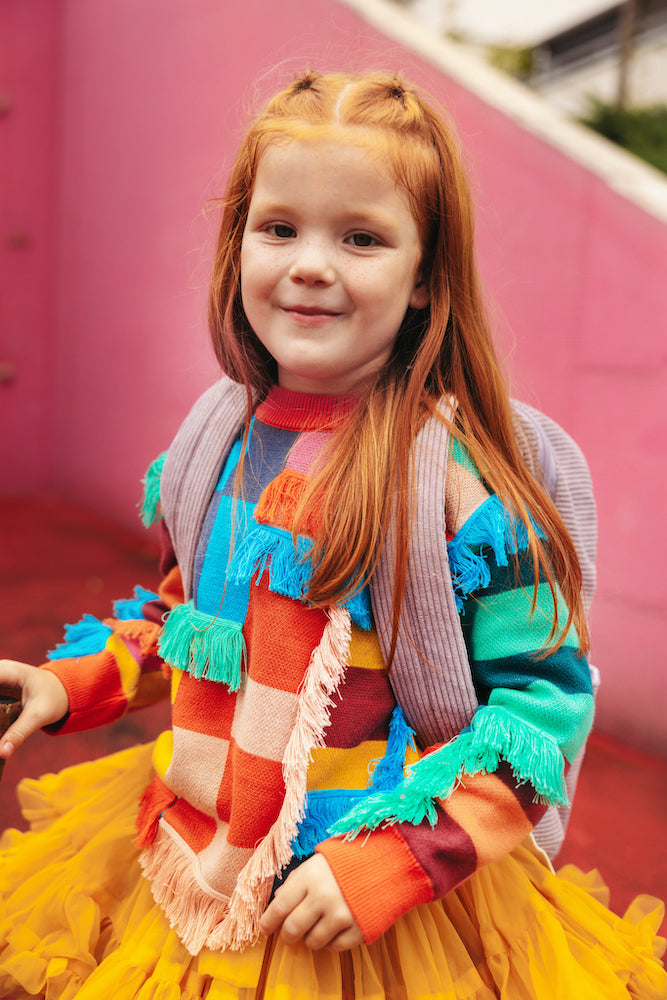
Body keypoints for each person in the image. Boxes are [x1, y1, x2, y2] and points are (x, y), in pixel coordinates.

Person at [0, 70, 664, 1000]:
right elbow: (186, 624)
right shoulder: (214, 444)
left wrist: (397, 861)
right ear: (238, 250)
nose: (311, 264)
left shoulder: (456, 486)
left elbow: (542, 711)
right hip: (198, 856)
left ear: (427, 277)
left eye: (360, 238)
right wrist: (63, 685)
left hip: (372, 897)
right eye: (280, 229)